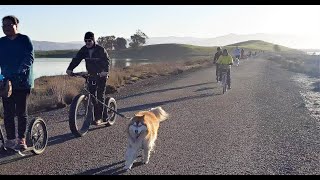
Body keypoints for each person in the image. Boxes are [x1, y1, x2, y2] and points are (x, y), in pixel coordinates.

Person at [0, 15, 34, 150]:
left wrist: (21, 70)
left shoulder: (24, 40)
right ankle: (10, 139)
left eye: (9, 25)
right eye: (3, 25)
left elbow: (29, 57)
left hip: (22, 81)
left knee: (20, 112)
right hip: (6, 82)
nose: (6, 28)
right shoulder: (1, 42)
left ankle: (21, 139)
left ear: (16, 25)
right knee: (8, 112)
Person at [66, 31, 110, 125]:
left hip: (101, 75)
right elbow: (76, 59)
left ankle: (99, 118)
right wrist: (70, 69)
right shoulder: (84, 50)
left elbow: (107, 61)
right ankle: (94, 115)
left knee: (99, 96)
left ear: (93, 40)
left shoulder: (100, 49)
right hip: (91, 75)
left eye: (89, 40)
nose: (87, 43)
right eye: (85, 41)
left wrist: (105, 72)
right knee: (92, 95)